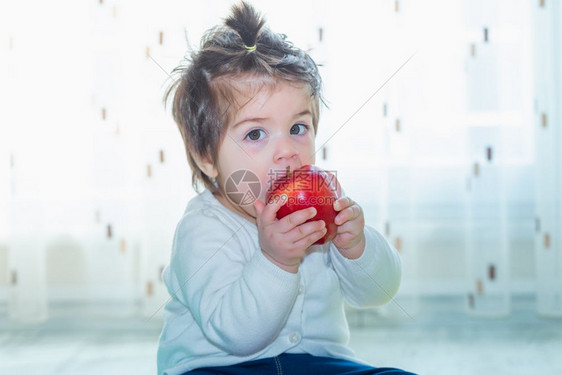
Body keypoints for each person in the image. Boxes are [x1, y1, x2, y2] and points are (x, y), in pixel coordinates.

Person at [157, 2, 413, 374]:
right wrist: (276, 261)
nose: (287, 151)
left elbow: (380, 292)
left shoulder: (319, 210)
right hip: (221, 366)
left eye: (298, 128)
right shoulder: (202, 229)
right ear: (206, 156)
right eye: (256, 134)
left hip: (321, 365)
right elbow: (235, 334)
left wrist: (356, 247)